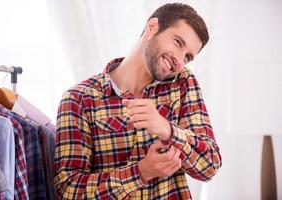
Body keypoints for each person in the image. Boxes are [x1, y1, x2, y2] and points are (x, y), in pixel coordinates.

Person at [54, 3, 222, 199]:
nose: (179, 60)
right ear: (152, 27)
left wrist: (167, 130)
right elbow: (68, 190)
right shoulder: (79, 99)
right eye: (177, 42)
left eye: (187, 57)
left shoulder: (183, 83)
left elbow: (210, 166)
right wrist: (142, 172)